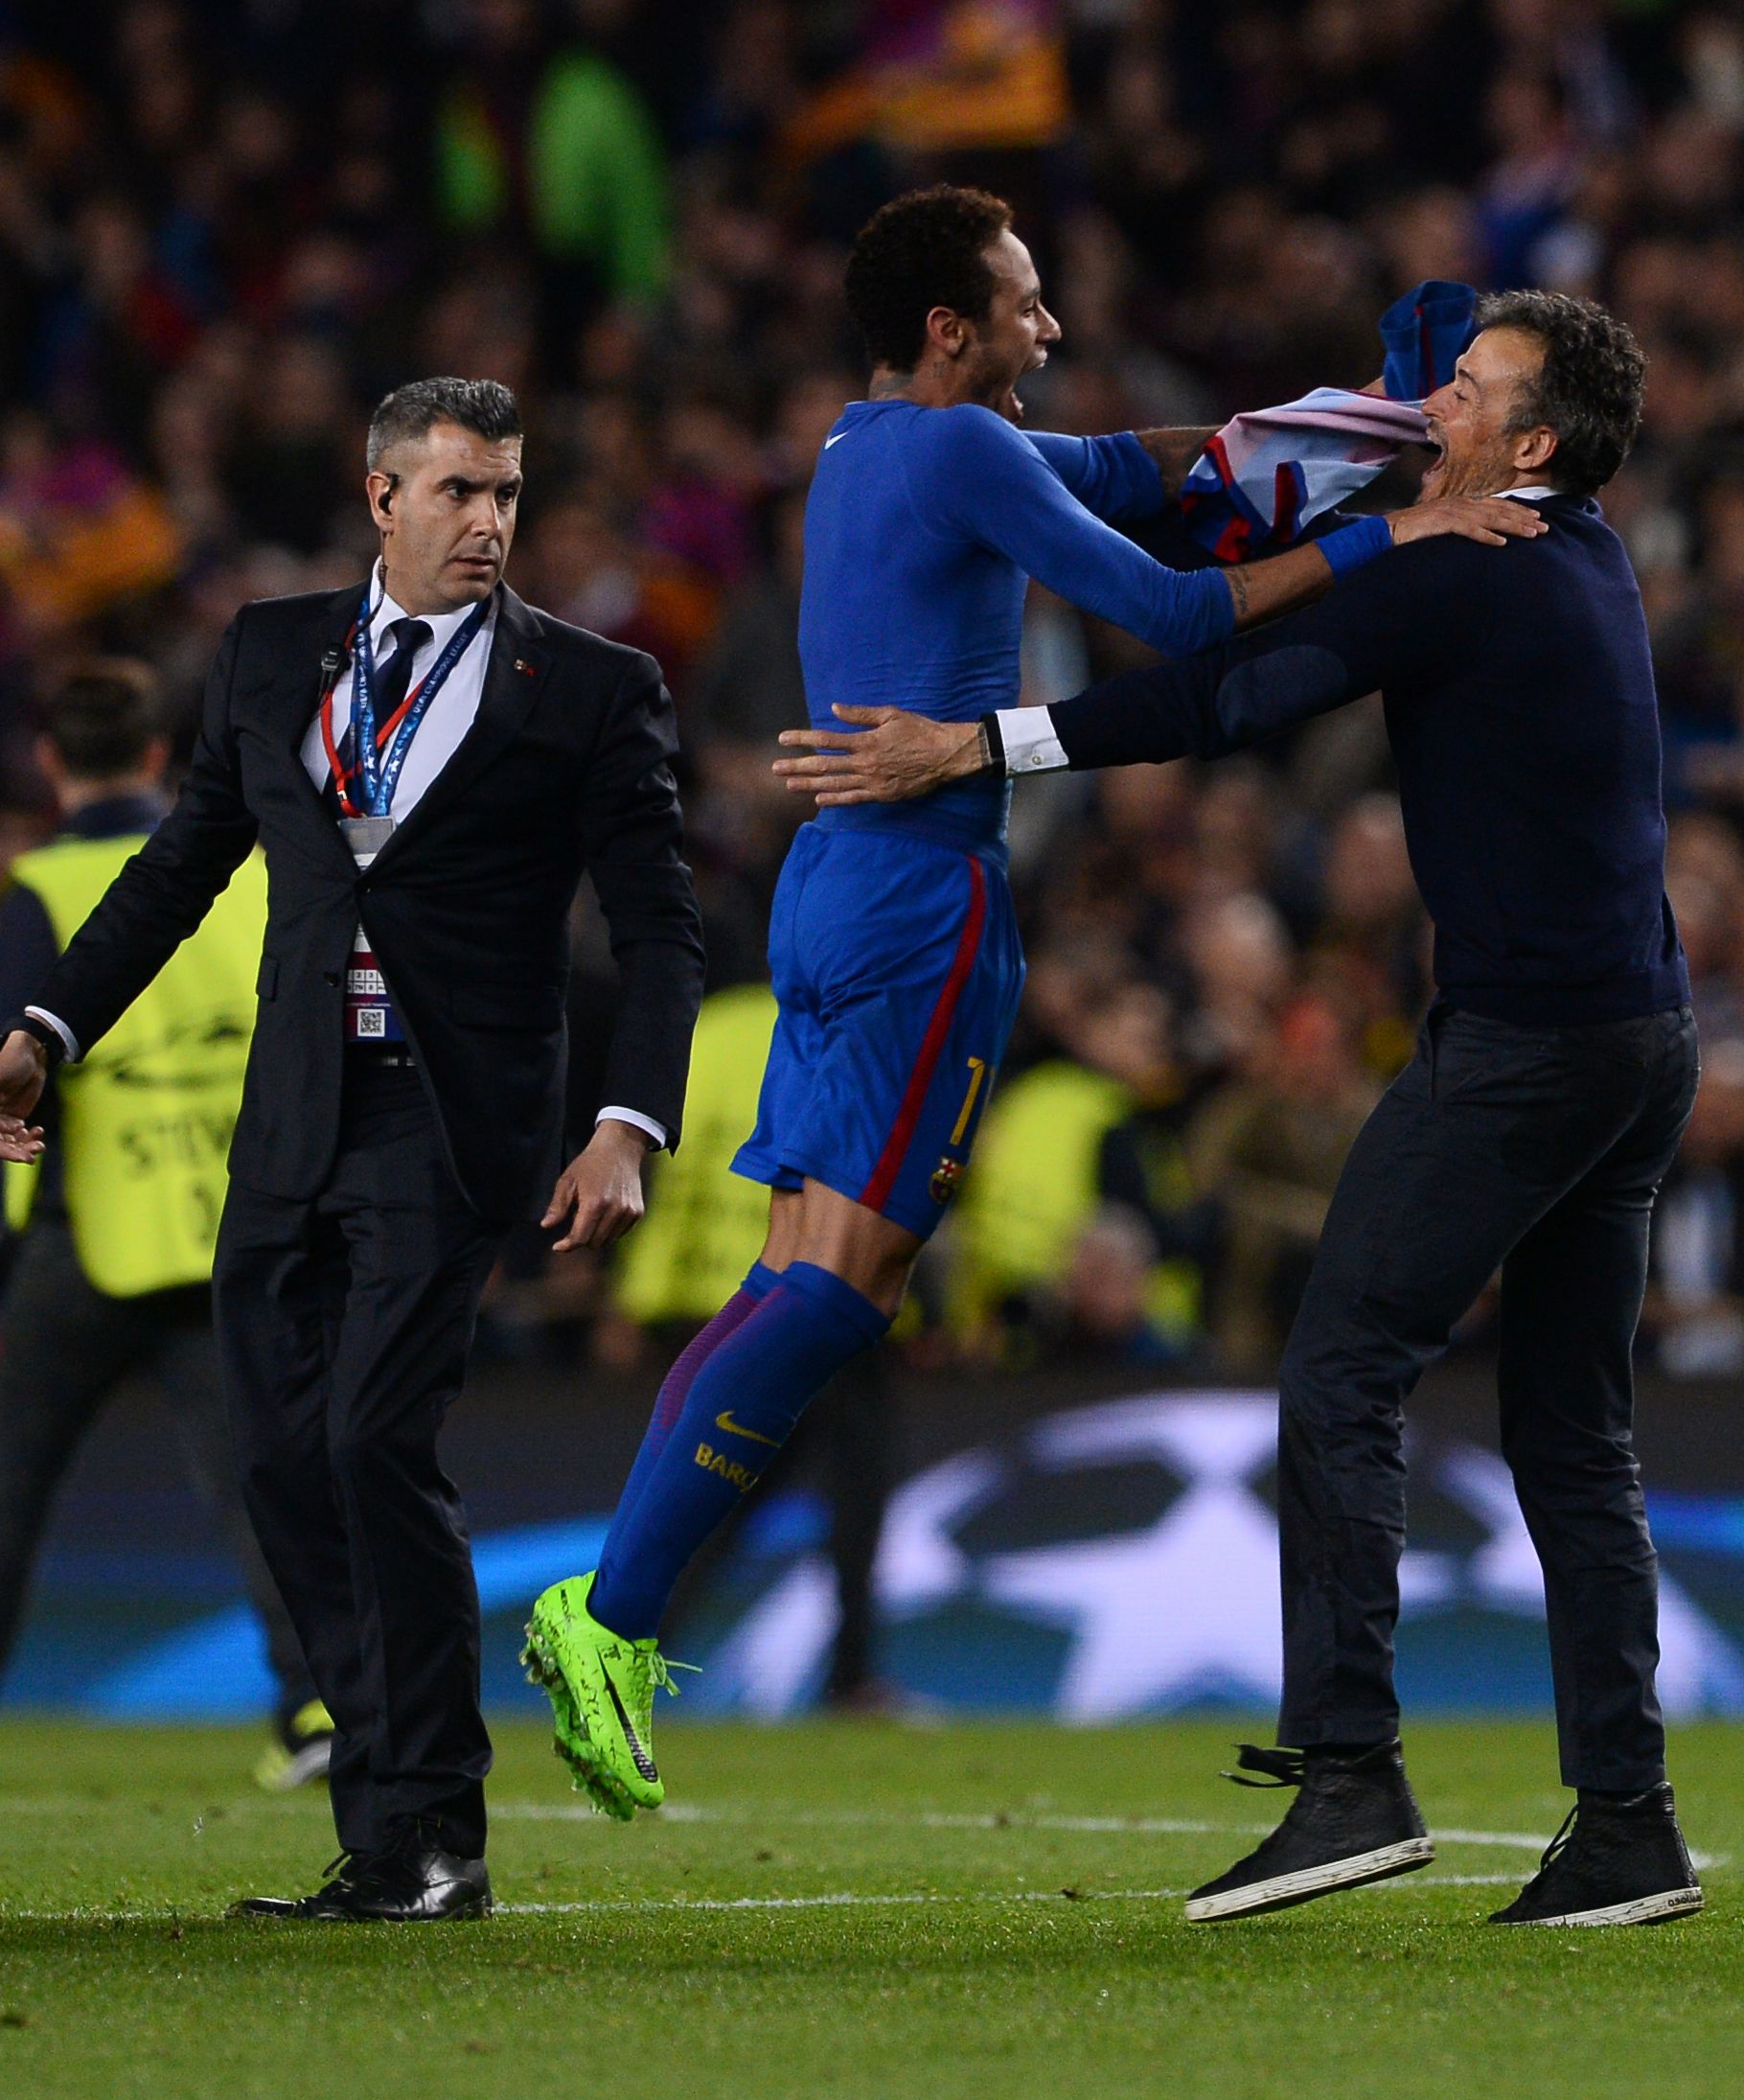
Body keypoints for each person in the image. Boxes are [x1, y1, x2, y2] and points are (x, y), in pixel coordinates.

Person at [516, 184, 1541, 1817]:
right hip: (922, 893)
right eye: (1025, 300)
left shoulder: (868, 447)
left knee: (795, 1274)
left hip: (837, 885)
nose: (1048, 326)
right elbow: (1176, 613)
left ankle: (608, 1616)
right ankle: (612, 1613)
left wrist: (1359, 418)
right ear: (950, 326)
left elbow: (1142, 469)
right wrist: (1395, 528)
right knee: (841, 1291)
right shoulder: (961, 450)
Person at [776, 290, 1708, 1929]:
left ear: (1533, 443)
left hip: (1522, 1049)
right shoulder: (1582, 556)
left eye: (1467, 391)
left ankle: (1351, 1773)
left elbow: (1214, 699)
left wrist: (972, 745)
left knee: (1338, 1369)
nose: (1430, 406)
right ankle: (1624, 1822)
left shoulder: (1465, 567)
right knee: (1572, 1435)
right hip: (1638, 1037)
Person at [0, 377, 705, 1924]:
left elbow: (658, 932)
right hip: (290, 1112)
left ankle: (434, 1833)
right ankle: (386, 1830)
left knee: (372, 1441)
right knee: (279, 1460)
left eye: (505, 492)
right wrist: (46, 1029)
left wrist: (627, 1123)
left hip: (448, 1121)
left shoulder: (589, 686)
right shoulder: (267, 652)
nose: (488, 521)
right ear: (381, 499)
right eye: (456, 492)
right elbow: (176, 872)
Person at [0, 661, 324, 1794]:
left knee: (14, 1490)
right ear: (155, 757)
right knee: (259, 1485)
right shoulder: (239, 872)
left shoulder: (45, 886)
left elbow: (10, 1065)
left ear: (50, 764)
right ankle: (313, 1707)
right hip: (224, 1229)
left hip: (88, 1235)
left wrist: (6, 1225)